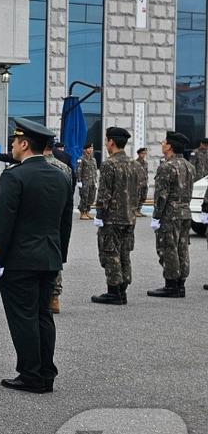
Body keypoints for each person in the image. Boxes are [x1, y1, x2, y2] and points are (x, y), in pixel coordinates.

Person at [0, 118, 73, 393]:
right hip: (49, 256)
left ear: (24, 144)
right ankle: (46, 371)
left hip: (19, 260)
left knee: (23, 317)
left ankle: (30, 374)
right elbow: (64, 222)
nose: (11, 146)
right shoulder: (61, 175)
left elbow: (3, 220)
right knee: (42, 315)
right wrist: (61, 253)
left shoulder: (14, 176)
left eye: (14, 141)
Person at [91, 127, 137, 306]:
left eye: (106, 140)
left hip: (112, 218)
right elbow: (141, 190)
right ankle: (123, 289)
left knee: (110, 253)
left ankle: (113, 291)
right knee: (125, 253)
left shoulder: (109, 164)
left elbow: (104, 193)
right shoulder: (134, 163)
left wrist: (100, 213)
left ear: (111, 142)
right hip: (129, 217)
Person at [149, 131, 194, 299]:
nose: (162, 144)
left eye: (164, 142)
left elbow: (161, 195)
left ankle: (171, 284)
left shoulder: (167, 167)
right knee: (182, 248)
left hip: (170, 214)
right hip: (185, 212)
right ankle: (181, 283)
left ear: (169, 146)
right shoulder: (189, 166)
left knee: (168, 248)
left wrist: (156, 216)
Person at [42, 143, 74, 313]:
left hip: (37, 218)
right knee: (55, 253)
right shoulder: (65, 168)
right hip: (58, 217)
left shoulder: (32, 165)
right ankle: (54, 297)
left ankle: (42, 296)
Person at [76, 145, 99, 220]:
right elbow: (79, 170)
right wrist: (79, 181)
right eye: (89, 148)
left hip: (92, 182)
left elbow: (95, 171)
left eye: (92, 148)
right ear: (85, 149)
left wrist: (95, 181)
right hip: (84, 182)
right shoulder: (81, 159)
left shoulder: (93, 160)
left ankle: (87, 212)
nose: (91, 149)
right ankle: (82, 213)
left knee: (91, 198)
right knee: (84, 198)